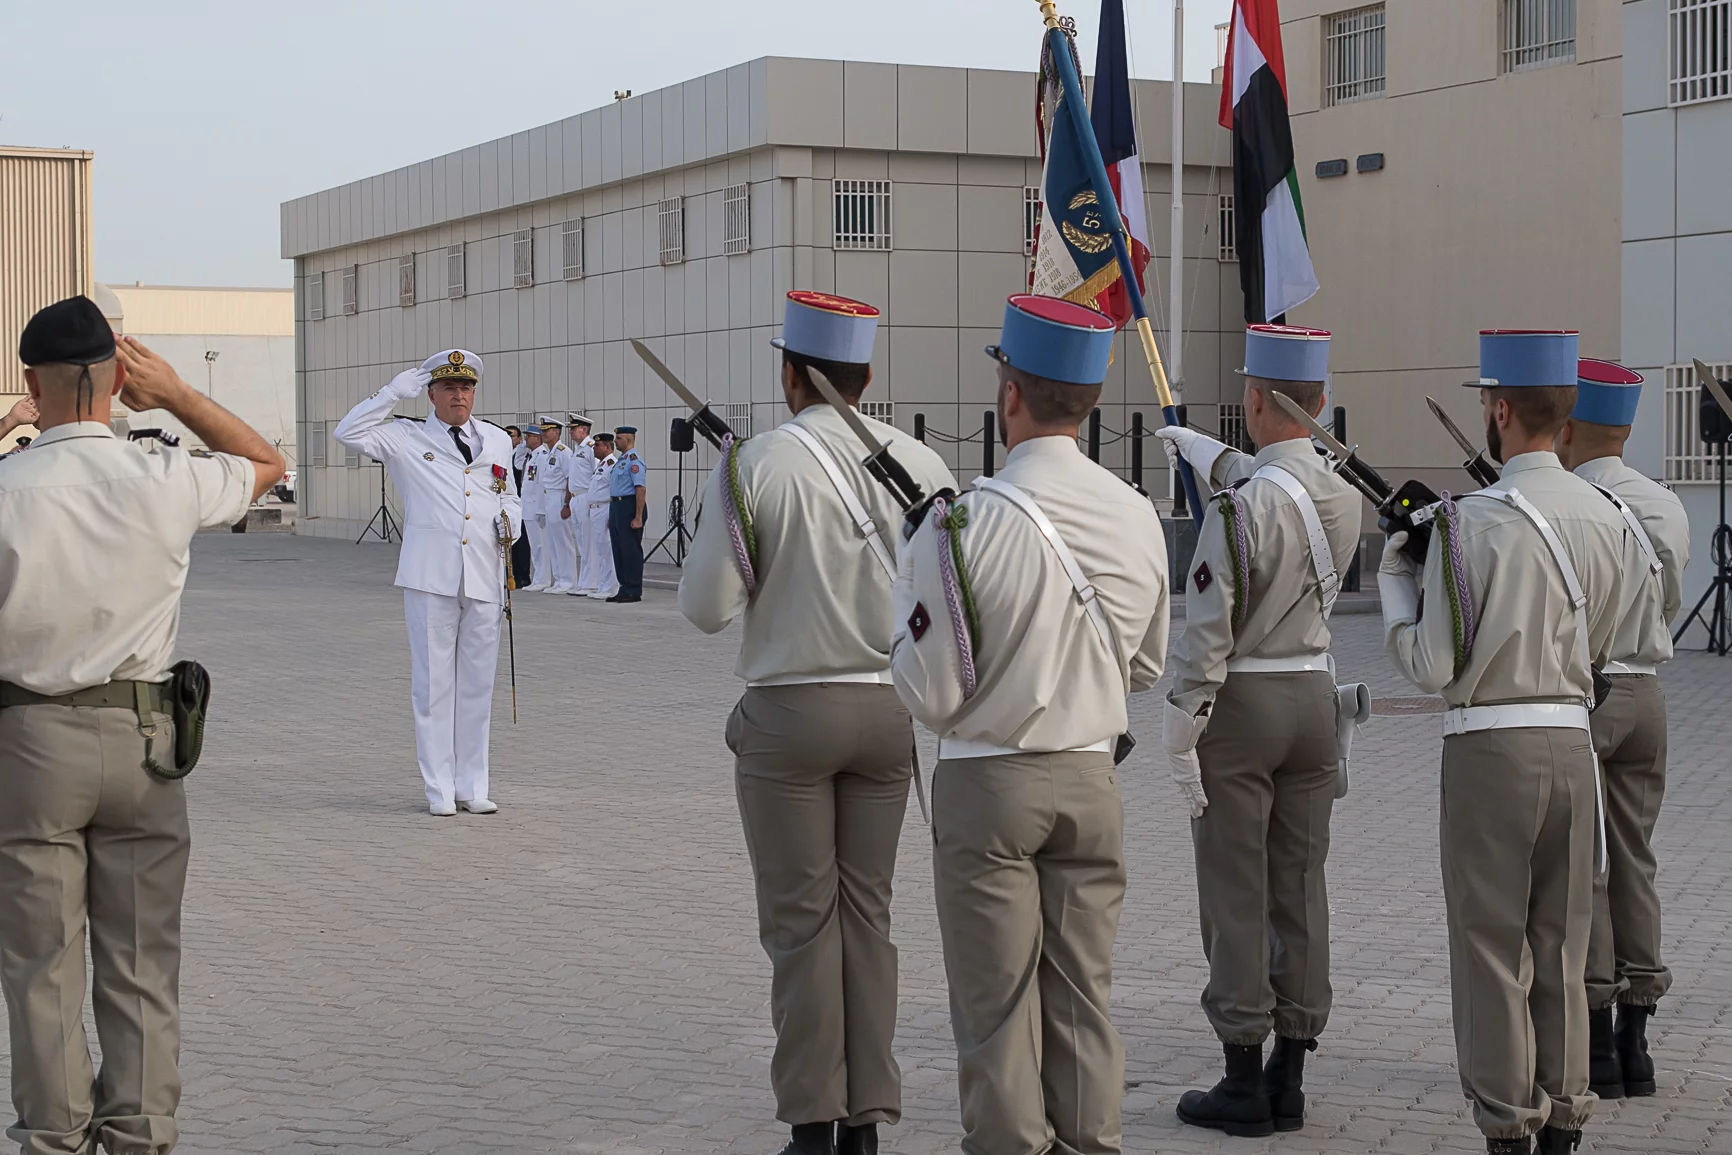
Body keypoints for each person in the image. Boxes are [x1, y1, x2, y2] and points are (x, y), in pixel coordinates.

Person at [0, 296, 284, 1155]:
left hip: (31, 741)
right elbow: (265, 463)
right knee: (140, 962)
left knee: (42, 968)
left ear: (29, 383)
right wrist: (179, 398)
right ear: (121, 379)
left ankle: (53, 1138)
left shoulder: (8, 488)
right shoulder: (163, 477)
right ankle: (141, 1133)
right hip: (146, 743)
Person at [891, 294, 1170, 1155]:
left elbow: (928, 695)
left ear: (1010, 394)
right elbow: (1149, 666)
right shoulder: (1134, 512)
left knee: (996, 1004)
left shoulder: (961, 523)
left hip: (989, 778)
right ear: (1086, 402)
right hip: (1092, 775)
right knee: (1083, 991)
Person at [680, 290, 956, 1155]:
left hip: (790, 712)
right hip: (889, 711)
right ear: (865, 376)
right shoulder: (926, 463)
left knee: (802, 922)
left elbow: (705, 608)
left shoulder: (759, 462)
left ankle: (811, 1122)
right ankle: (868, 1118)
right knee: (867, 917)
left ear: (791, 375)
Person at [1379, 329, 1646, 1155]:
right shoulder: (1610, 518)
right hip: (1573, 743)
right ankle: (1567, 1116)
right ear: (1565, 414)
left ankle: (1507, 1125)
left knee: (1491, 946)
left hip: (1491, 745)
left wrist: (1396, 580)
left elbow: (1430, 662)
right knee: (1562, 943)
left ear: (1498, 410)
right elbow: (1634, 635)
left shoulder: (1471, 523)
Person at [1154, 326, 1364, 1136]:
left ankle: (1241, 1072)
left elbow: (1205, 635)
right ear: (1317, 402)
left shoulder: (1236, 510)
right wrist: (1211, 454)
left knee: (1236, 890)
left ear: (1254, 399)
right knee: (1300, 884)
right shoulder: (1341, 494)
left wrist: (1179, 729)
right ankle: (1291, 1070)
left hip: (1241, 706)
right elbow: (1277, 480)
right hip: (1313, 696)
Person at [1554, 359, 1690, 1101]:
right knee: (1636, 855)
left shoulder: (1571, 502)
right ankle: (1639, 1040)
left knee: (1588, 864)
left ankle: (1599, 1035)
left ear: (1567, 426)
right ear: (1629, 426)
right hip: (1650, 691)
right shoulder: (1667, 504)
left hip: (1593, 690)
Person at [333, 348, 520, 817]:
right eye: (450, 388)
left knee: (478, 685)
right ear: (432, 393)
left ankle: (472, 785)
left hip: (484, 572)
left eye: (467, 387)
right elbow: (347, 432)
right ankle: (438, 789)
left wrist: (511, 520)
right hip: (431, 574)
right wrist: (395, 392)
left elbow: (510, 494)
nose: (460, 395)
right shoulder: (405, 436)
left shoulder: (497, 440)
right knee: (434, 685)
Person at [575, 431, 618, 598]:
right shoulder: (601, 465)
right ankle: (603, 584)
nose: (594, 449)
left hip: (605, 508)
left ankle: (610, 587)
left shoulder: (612, 464)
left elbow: (614, 490)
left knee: (607, 549)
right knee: (600, 549)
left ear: (607, 447)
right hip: (595, 509)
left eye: (597, 446)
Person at [608, 426, 647, 603]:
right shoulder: (621, 460)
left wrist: (638, 516)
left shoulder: (634, 461)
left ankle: (633, 589)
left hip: (629, 505)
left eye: (619, 438)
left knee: (630, 550)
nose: (615, 441)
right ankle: (623, 587)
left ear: (629, 440)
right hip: (617, 505)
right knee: (618, 550)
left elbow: (640, 489)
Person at [537, 420, 577, 594]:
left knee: (563, 540)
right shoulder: (549, 452)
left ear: (557, 433)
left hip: (560, 496)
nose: (544, 434)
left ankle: (568, 580)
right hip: (549, 496)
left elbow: (570, 479)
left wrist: (567, 503)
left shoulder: (564, 452)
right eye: (543, 431)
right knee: (553, 541)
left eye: (548, 430)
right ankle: (559, 579)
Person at [560, 414, 595, 591]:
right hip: (575, 498)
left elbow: (598, 475)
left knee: (589, 541)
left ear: (584, 429)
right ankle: (585, 581)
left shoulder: (590, 448)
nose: (571, 432)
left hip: (586, 497)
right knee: (581, 541)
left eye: (573, 429)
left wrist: (593, 499)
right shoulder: (577, 450)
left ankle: (591, 582)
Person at [520, 424, 552, 591]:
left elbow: (541, 485)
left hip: (536, 507)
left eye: (530, 436)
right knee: (535, 545)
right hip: (528, 506)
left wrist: (541, 508)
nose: (526, 438)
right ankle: (538, 577)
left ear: (538, 438)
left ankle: (543, 579)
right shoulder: (532, 456)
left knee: (540, 545)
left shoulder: (542, 457)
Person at [506, 426, 533, 589]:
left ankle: (523, 575)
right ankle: (511, 574)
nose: (509, 439)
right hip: (504, 498)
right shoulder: (501, 455)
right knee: (508, 542)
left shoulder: (521, 453)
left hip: (520, 500)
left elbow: (517, 465)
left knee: (521, 541)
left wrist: (522, 443)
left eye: (512, 436)